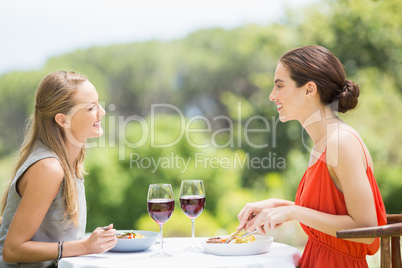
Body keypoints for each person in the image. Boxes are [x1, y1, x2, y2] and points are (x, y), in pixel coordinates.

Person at [237, 46, 386, 268]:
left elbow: (365, 230)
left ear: (309, 90)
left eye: (279, 85)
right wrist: (279, 207)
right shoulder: (322, 143)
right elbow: (332, 211)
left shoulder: (340, 142)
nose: (272, 95)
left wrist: (294, 211)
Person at [0, 71, 117, 267]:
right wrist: (86, 246)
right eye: (91, 108)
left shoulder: (72, 159)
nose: (102, 112)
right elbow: (12, 250)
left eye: (98, 104)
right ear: (63, 120)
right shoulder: (49, 168)